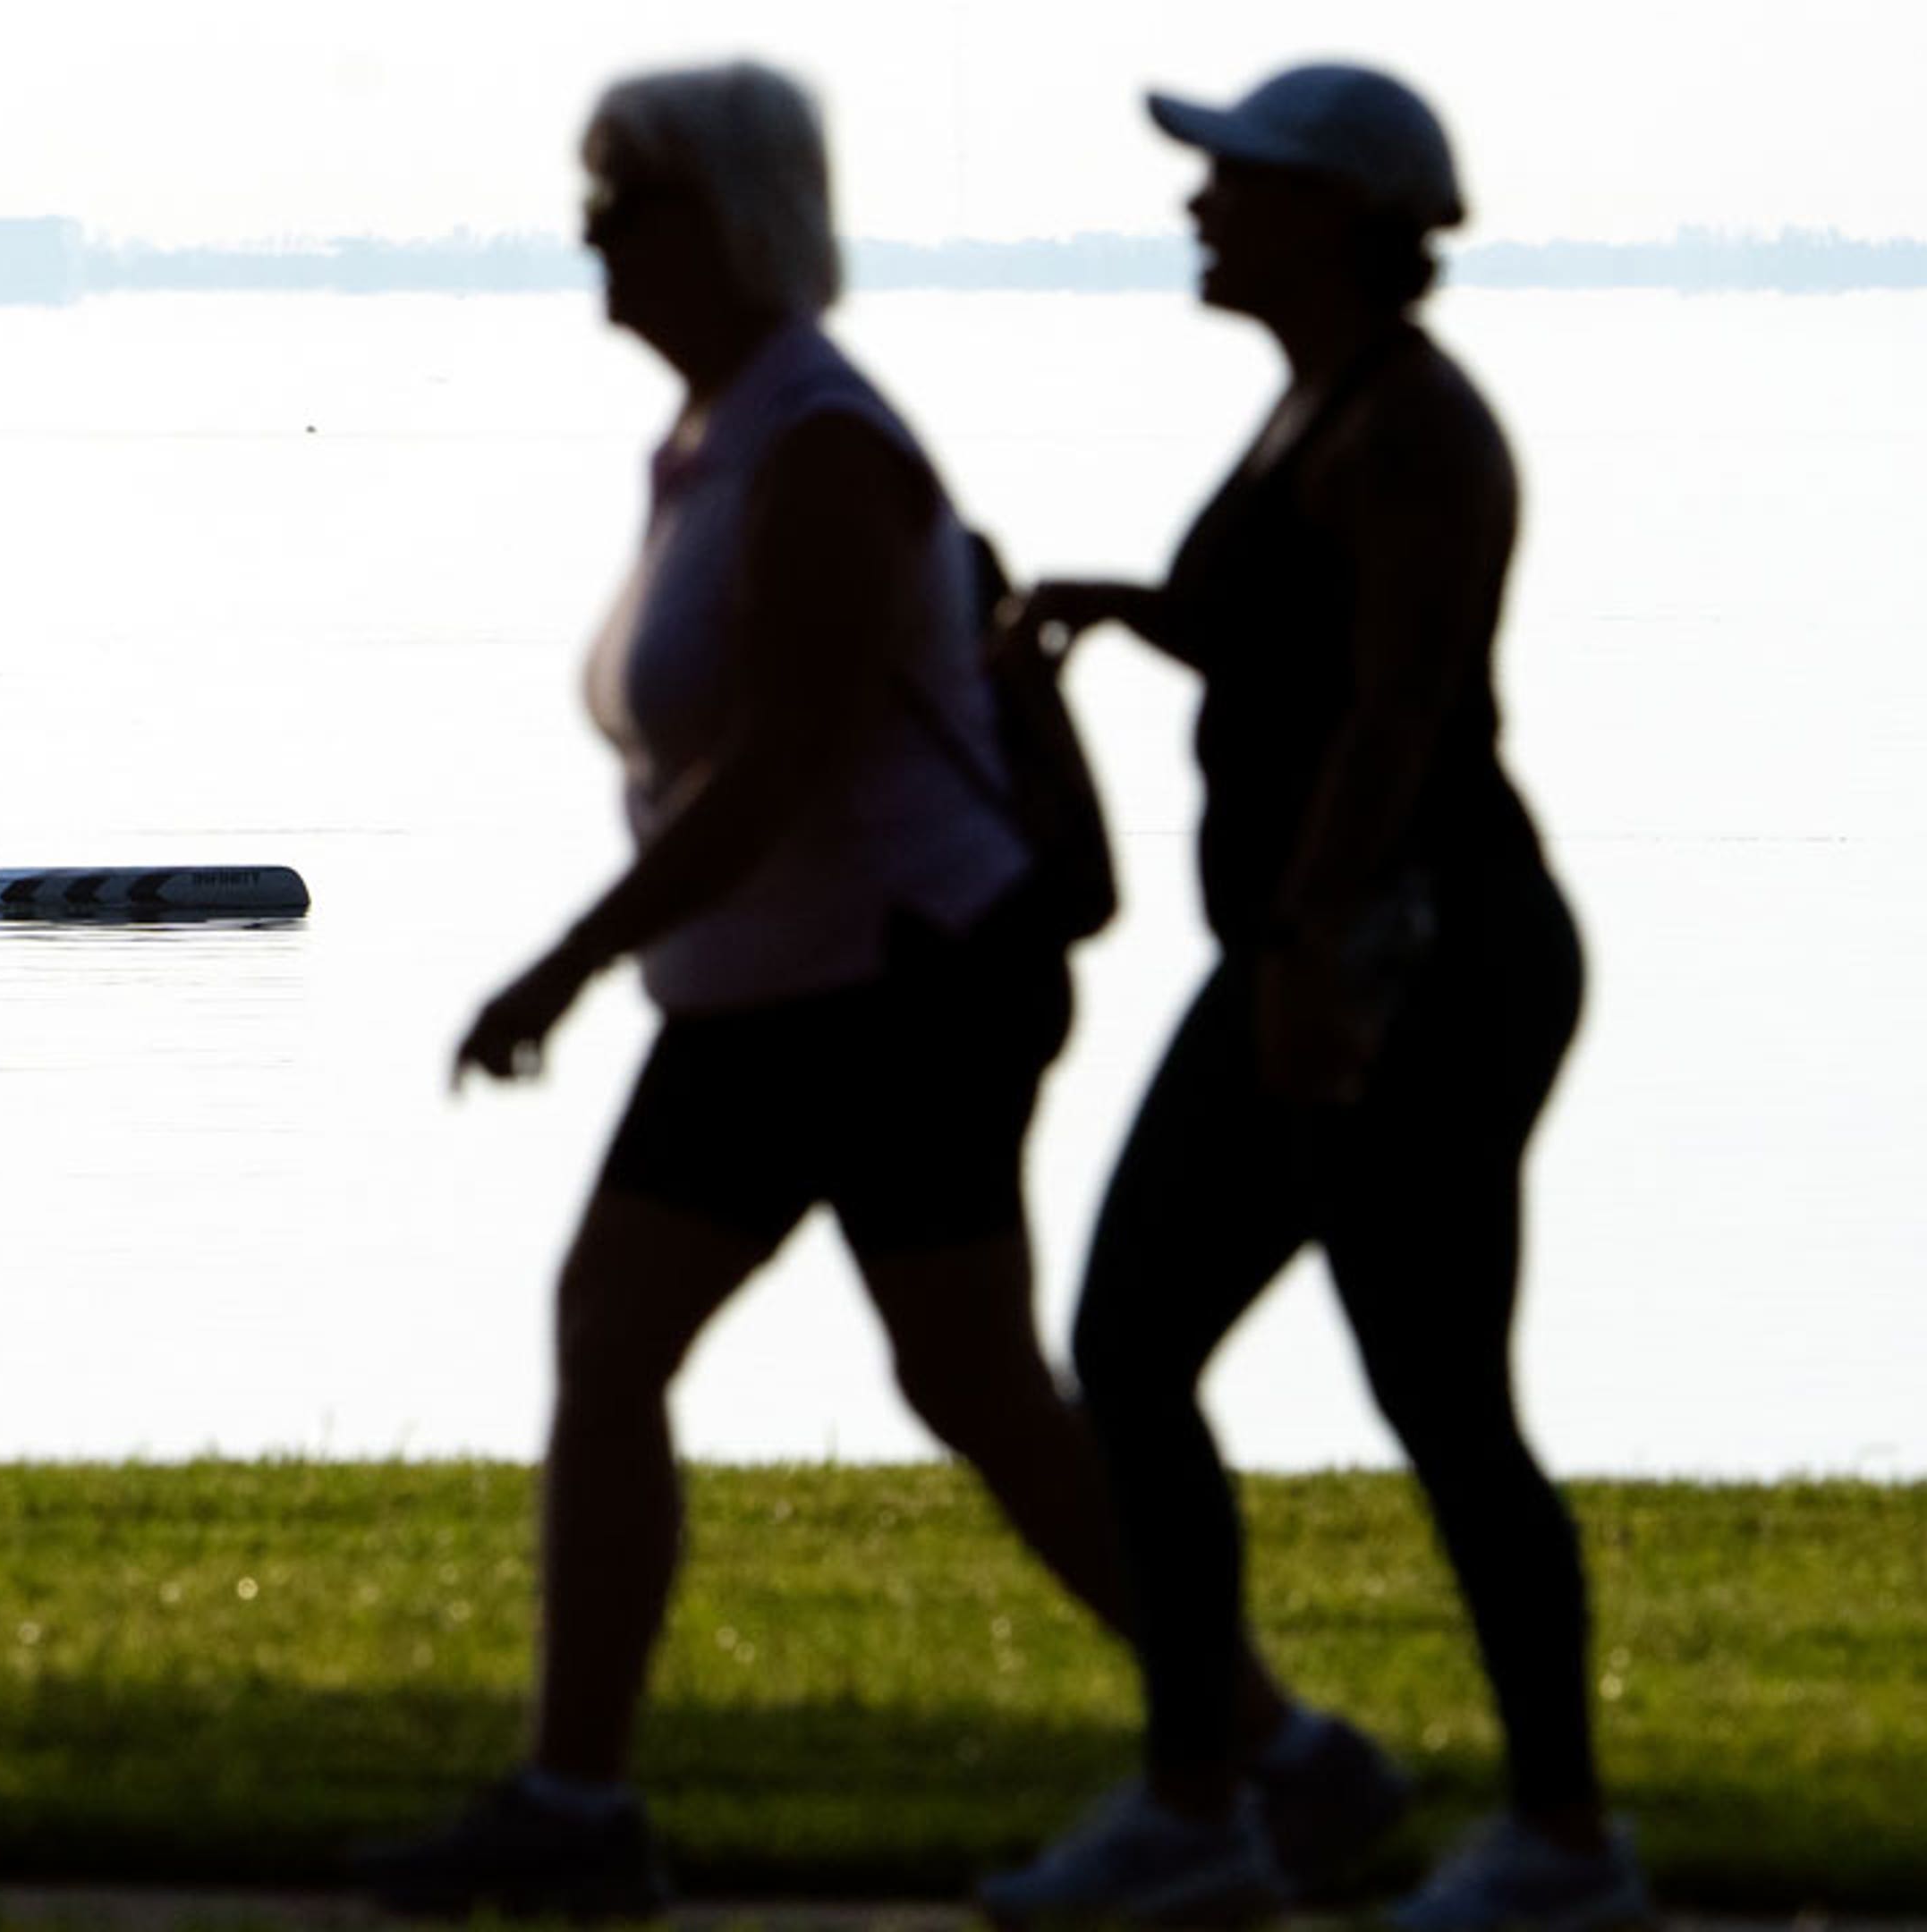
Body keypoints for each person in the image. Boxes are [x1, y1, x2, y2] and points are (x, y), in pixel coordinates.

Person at [358, 60, 1329, 1920]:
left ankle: (583, 1806)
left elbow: (787, 765)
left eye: (620, 202)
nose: (591, 239)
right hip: (806, 985)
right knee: (951, 1379)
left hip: (886, 986)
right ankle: (1276, 1748)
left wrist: (564, 962)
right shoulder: (727, 434)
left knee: (652, 1337)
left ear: (722, 222)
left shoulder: (815, 444)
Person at [977, 65, 1649, 1930]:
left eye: (1235, 184)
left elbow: (1399, 705)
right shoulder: (1327, 406)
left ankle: (1566, 1843)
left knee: (1438, 1390)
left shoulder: (1419, 430)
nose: (1200, 209)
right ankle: (1204, 1804)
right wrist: (1130, 609)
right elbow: (1300, 636)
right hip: (1319, 940)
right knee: (1128, 1347)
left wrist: (1300, 960)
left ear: (1341, 217)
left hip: (1408, 955)